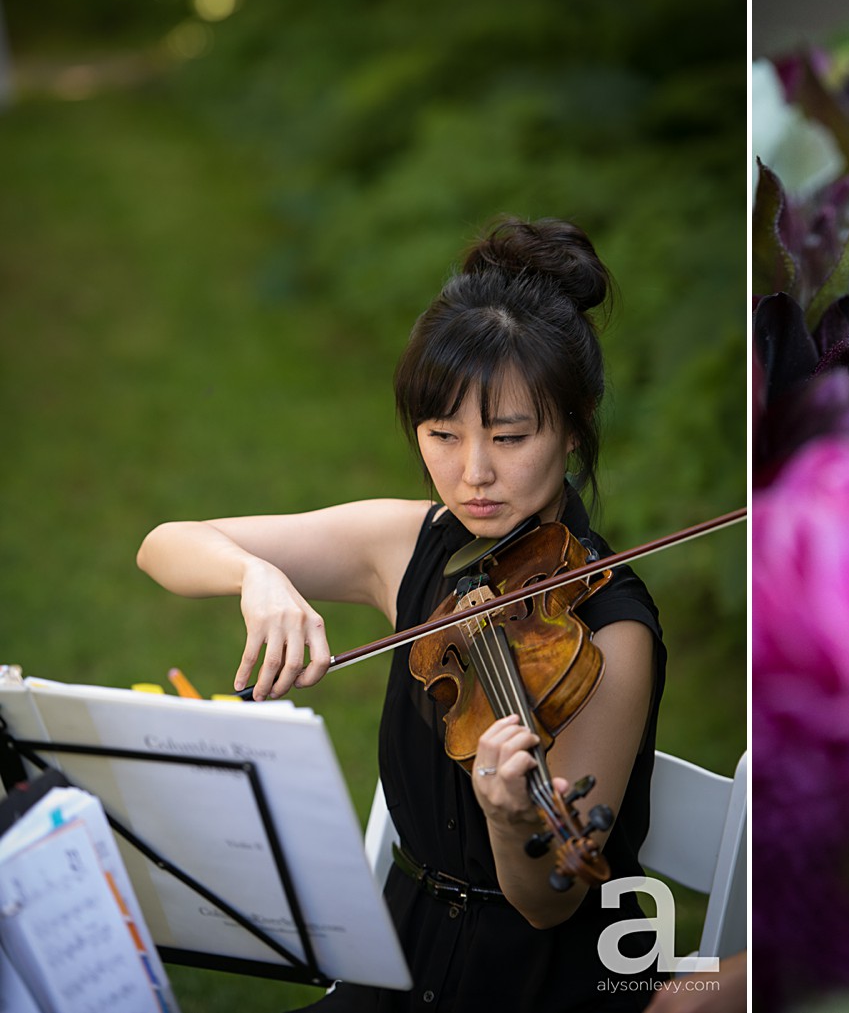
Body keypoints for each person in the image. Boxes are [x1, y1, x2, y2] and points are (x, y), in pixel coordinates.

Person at [137, 219, 667, 1011]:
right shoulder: (409, 543)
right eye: (442, 434)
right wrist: (258, 577)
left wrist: (507, 812)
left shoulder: (611, 629)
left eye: (510, 435)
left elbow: (548, 898)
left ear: (574, 422)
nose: (473, 472)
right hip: (393, 963)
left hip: (532, 988)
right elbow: (165, 545)